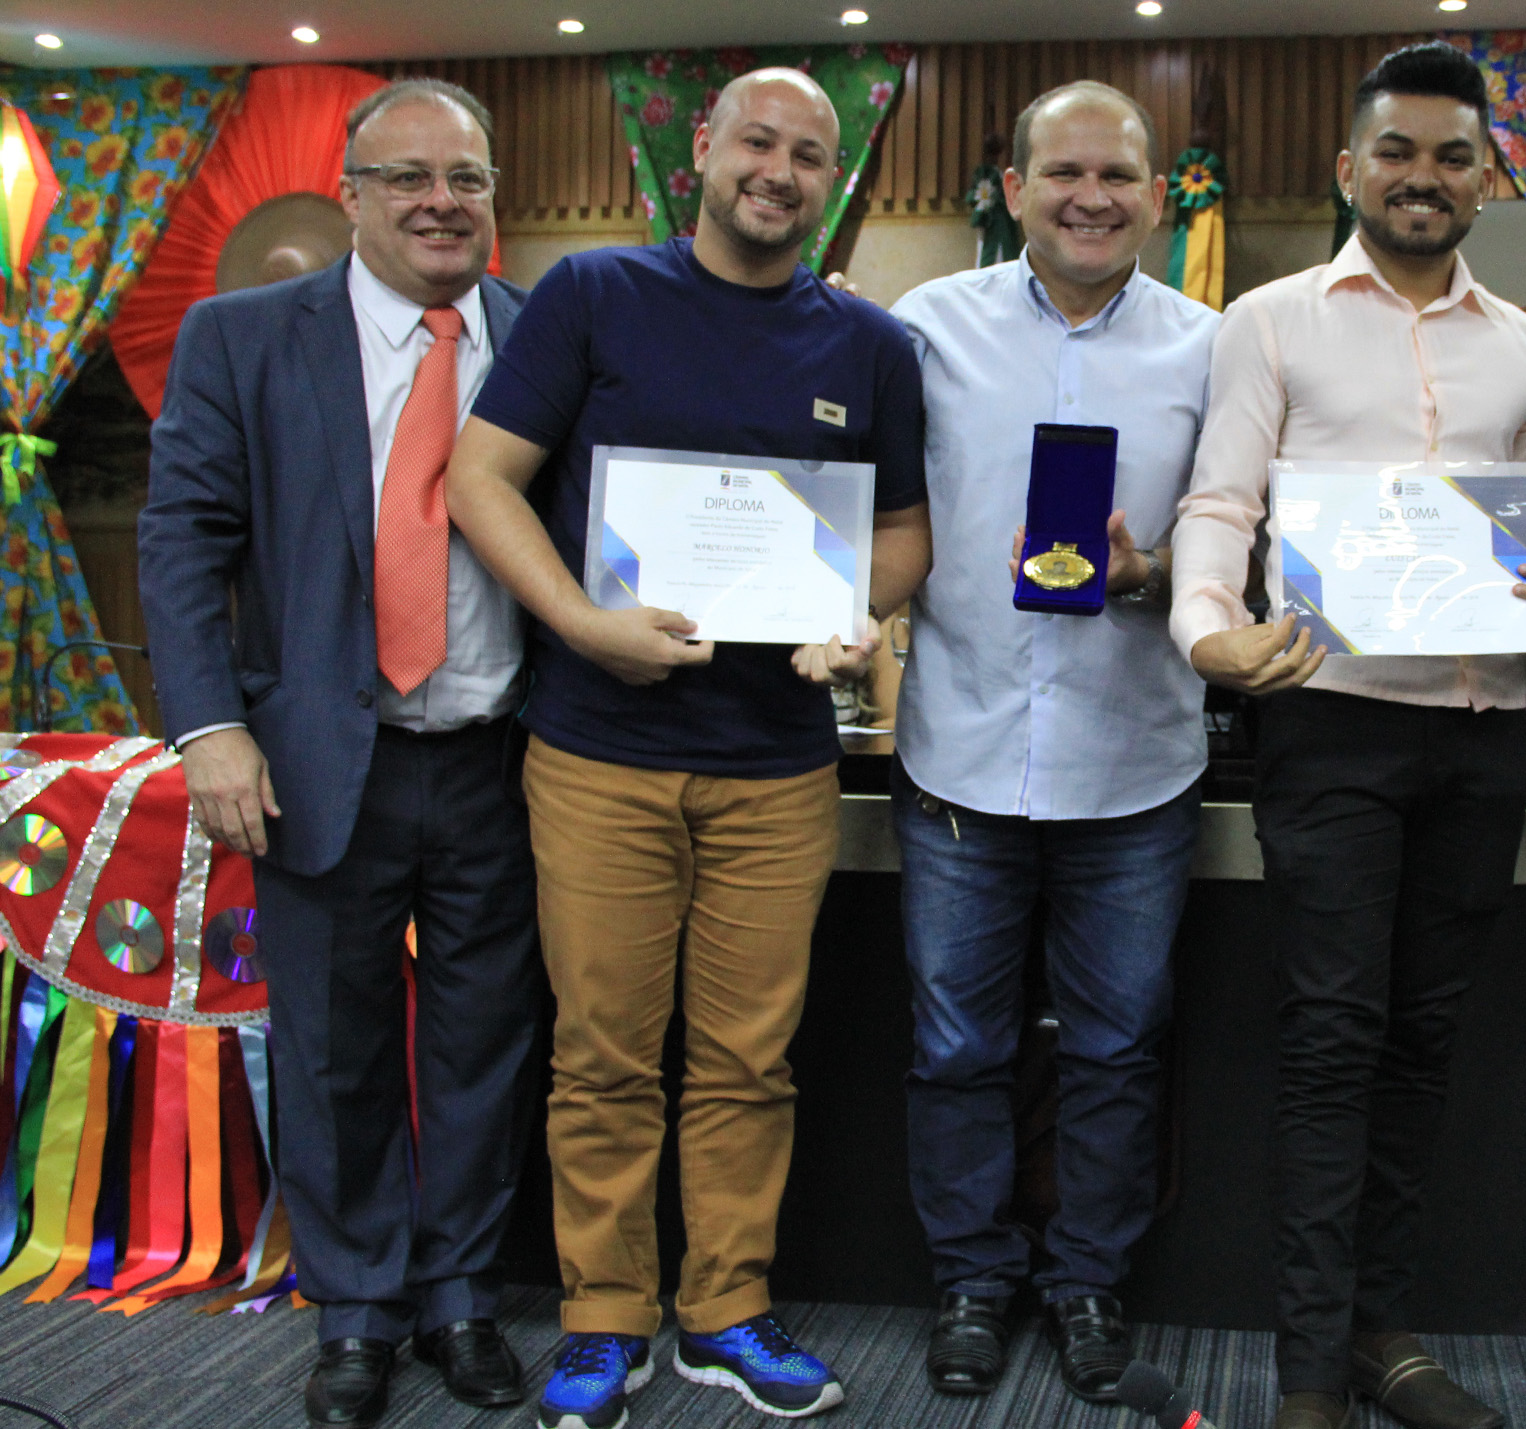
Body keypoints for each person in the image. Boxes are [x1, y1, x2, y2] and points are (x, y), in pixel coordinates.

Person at [442, 67, 931, 1429]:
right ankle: (604, 1316)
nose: (778, 171)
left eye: (809, 155)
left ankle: (726, 1307)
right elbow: (480, 480)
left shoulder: (869, 346)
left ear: (833, 181)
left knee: (746, 1060)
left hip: (777, 765)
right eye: (757, 142)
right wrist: (579, 623)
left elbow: (904, 534)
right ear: (704, 149)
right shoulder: (594, 295)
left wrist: (856, 612)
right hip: (595, 751)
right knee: (601, 1052)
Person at [1170, 42, 1526, 1429]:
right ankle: (1307, 1367)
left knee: (1423, 1041)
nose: (1424, 177)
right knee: (1331, 1037)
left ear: (1483, 179)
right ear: (1348, 168)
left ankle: (1382, 1336)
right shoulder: (1271, 321)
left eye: (1452, 157)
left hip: (1480, 734)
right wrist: (1206, 629)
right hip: (1330, 725)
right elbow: (1220, 503)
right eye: (1398, 153)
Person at [139, 79, 539, 1428]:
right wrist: (210, 728)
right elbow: (181, 540)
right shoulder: (242, 336)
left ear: (493, 197)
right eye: (408, 177)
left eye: (466, 178)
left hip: (502, 757)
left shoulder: (545, 338)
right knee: (332, 1048)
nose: (441, 202)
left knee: (486, 1045)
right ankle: (359, 1306)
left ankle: (462, 1295)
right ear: (353, 195)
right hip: (313, 759)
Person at [887, 81, 1216, 1404]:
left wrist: (1154, 575)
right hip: (958, 759)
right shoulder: (924, 328)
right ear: (1014, 189)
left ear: (1157, 195)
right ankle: (972, 1279)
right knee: (955, 1050)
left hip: (1135, 766)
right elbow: (869, 501)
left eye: (1118, 176)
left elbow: (1239, 537)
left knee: (1116, 1048)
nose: (1092, 197)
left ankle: (1088, 1282)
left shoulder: (1212, 347)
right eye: (1064, 173)